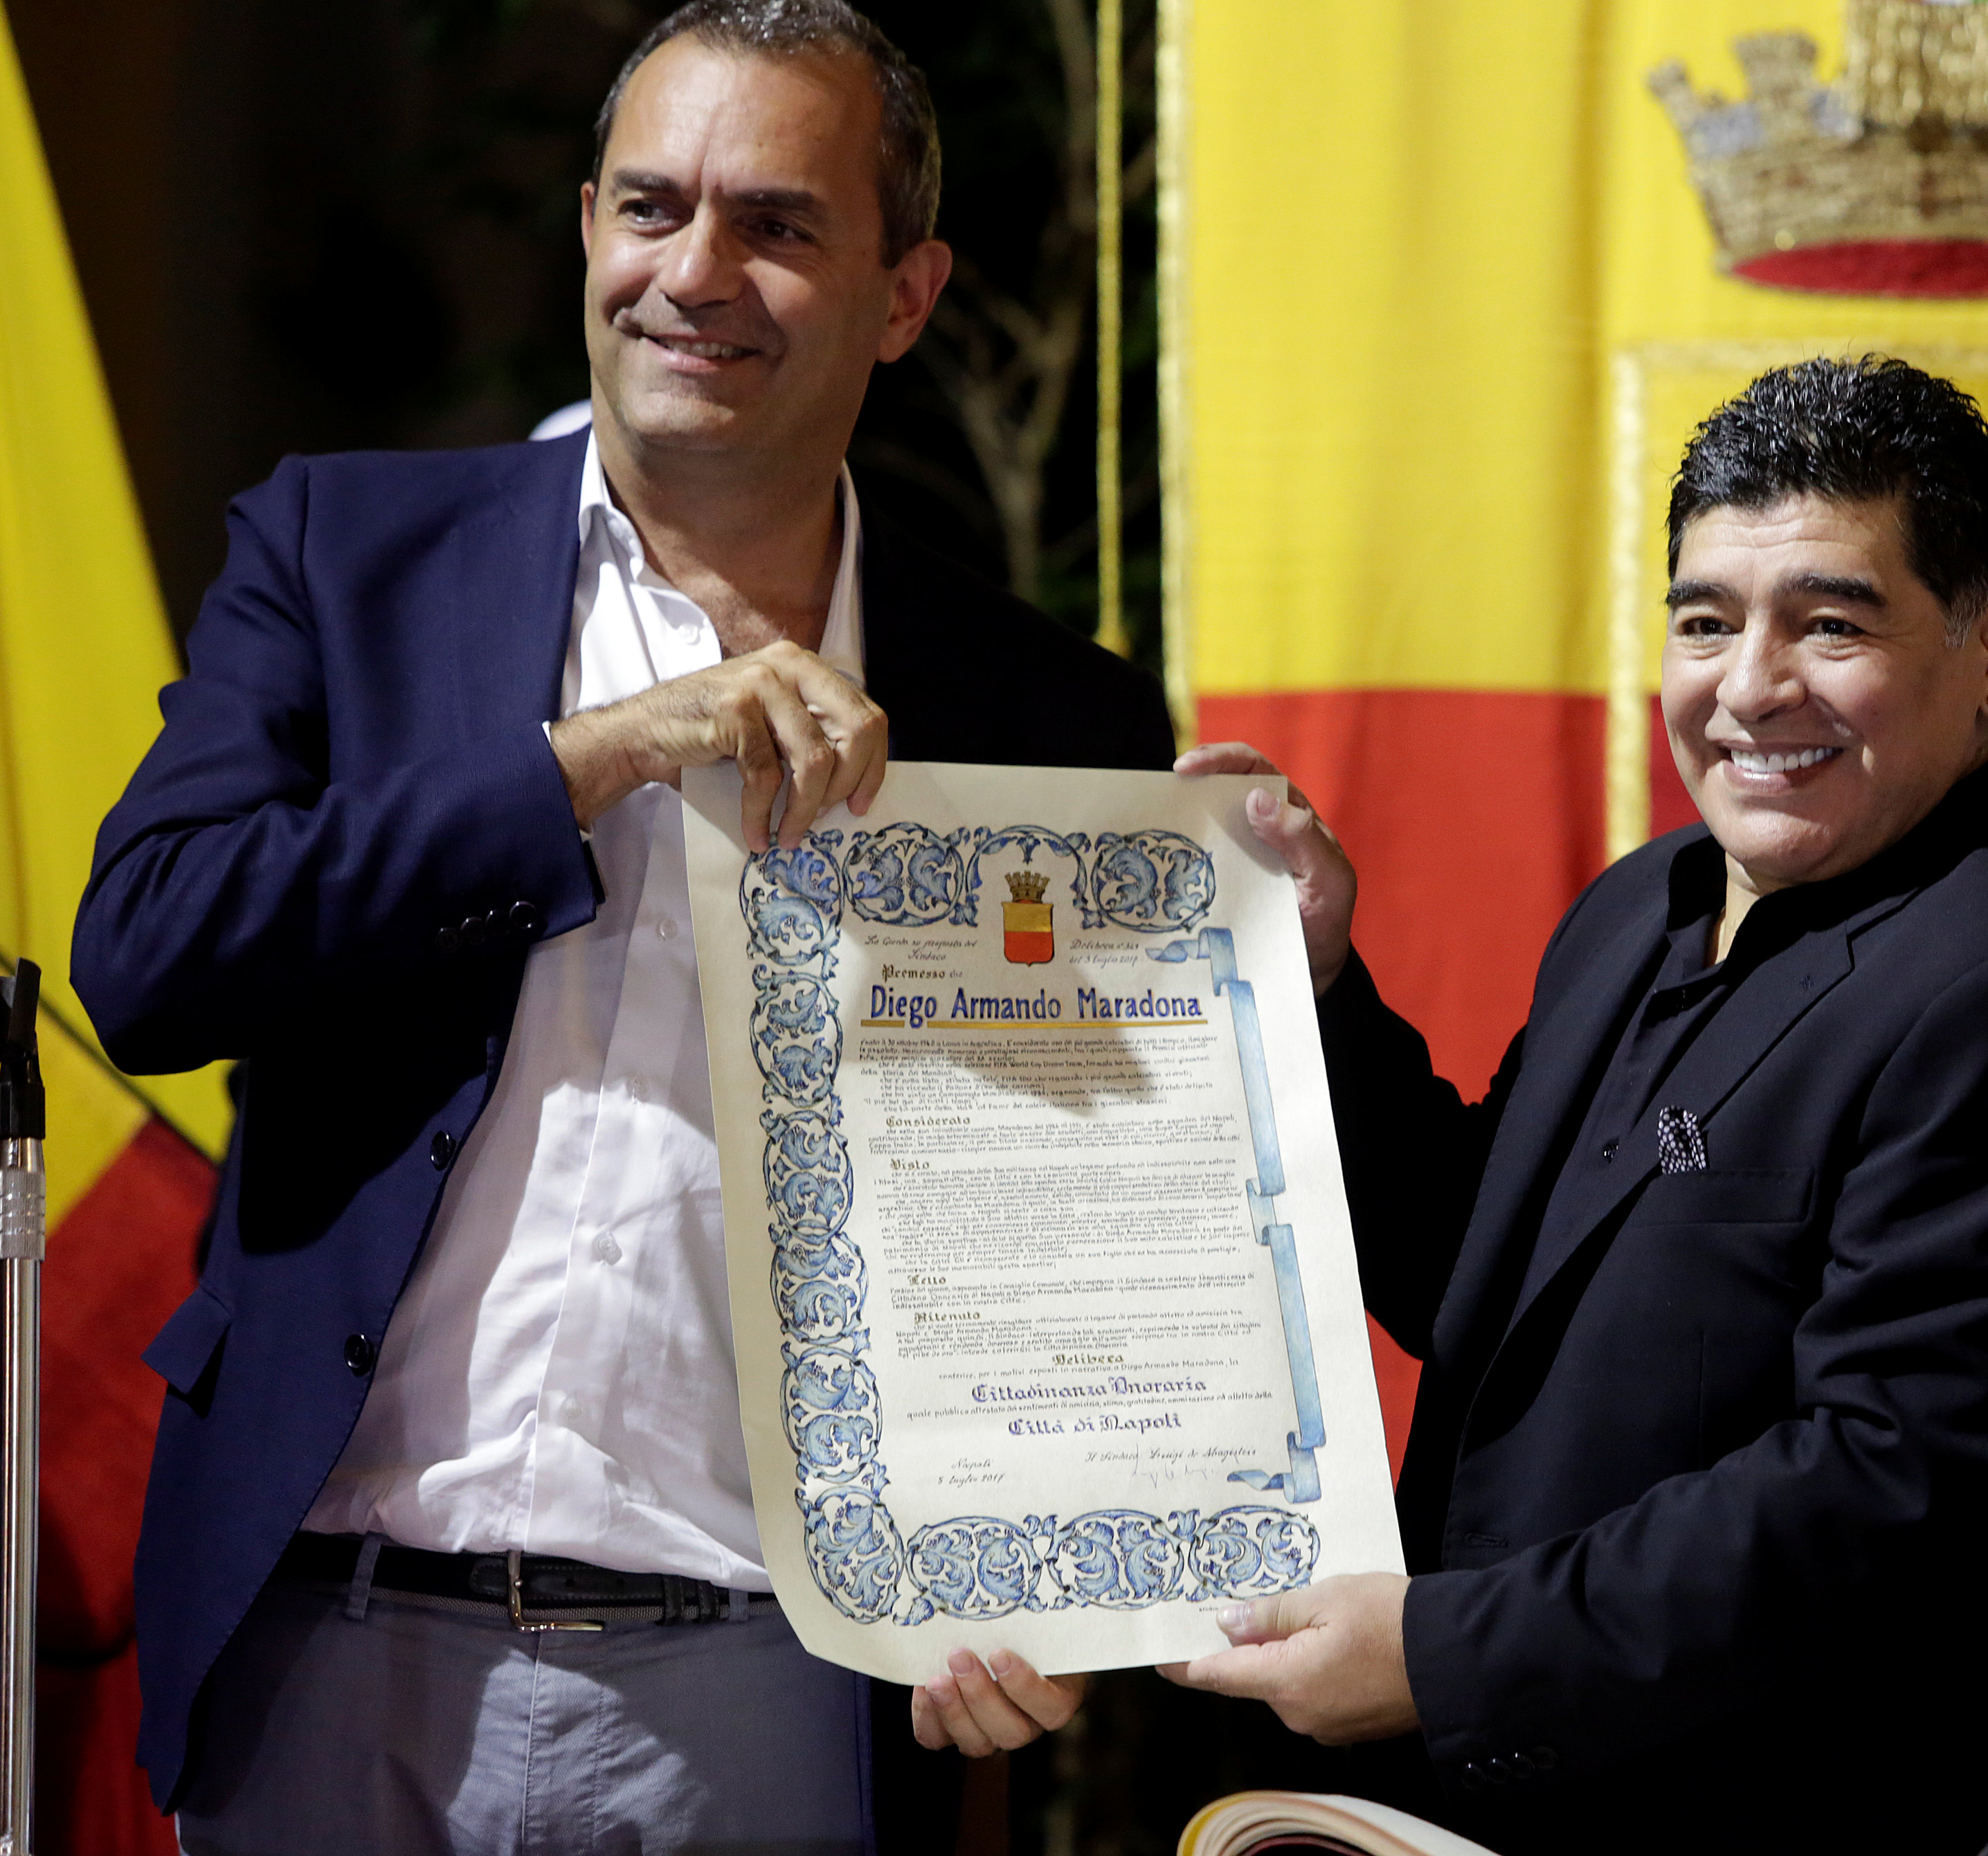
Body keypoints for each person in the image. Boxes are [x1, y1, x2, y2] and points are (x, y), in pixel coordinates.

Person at [72, 3, 1171, 1849]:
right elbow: (151, 952)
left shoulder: (1044, 715)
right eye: (650, 208)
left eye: (778, 224)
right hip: (320, 1641)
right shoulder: (346, 556)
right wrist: (580, 761)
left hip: (765, 1683)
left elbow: (1075, 1228)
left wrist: (1039, 1571)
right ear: (585, 227)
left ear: (905, 294)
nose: (695, 273)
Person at [1167, 357, 1988, 1853]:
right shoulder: (1638, 910)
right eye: (1706, 621)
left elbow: (1880, 1495)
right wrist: (1315, 989)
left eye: (1830, 624)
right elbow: (1479, 1278)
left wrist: (1440, 1656)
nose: (1750, 686)